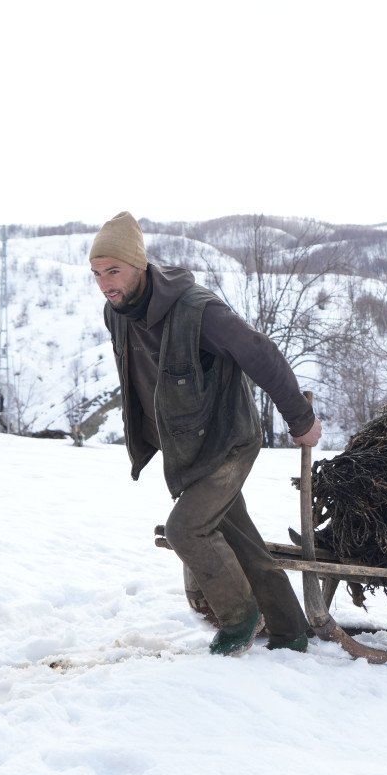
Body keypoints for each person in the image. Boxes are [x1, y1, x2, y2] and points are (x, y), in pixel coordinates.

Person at [90, 211, 321, 656]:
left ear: (140, 265)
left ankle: (240, 619)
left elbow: (260, 354)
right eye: (97, 274)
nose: (105, 283)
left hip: (227, 442)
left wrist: (301, 421)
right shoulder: (116, 312)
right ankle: (290, 630)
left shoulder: (198, 312)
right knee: (238, 536)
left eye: (113, 271)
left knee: (187, 529)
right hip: (187, 448)